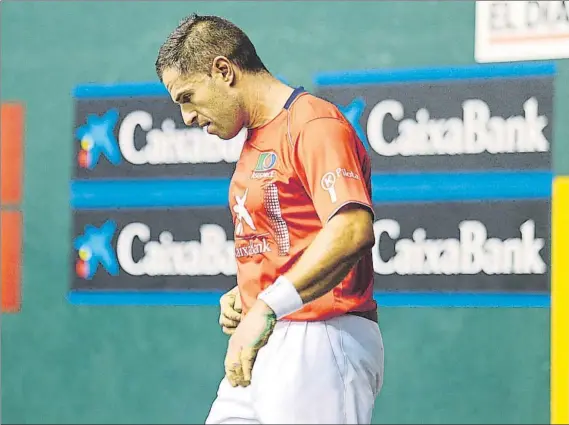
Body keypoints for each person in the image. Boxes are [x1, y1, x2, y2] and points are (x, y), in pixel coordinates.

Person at [155, 13, 384, 424]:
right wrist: (248, 291)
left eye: (187, 97)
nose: (187, 117)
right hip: (266, 343)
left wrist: (267, 304)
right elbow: (291, 242)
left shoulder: (312, 123)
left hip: (321, 338)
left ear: (223, 70)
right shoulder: (256, 142)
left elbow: (351, 229)